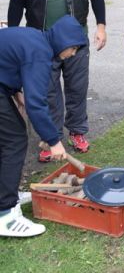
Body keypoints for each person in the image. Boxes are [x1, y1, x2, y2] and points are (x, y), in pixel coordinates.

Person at [7, 0, 107, 161]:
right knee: (46, 92)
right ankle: (51, 139)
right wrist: (12, 31)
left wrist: (102, 25)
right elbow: (17, 0)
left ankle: (77, 132)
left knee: (77, 89)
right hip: (42, 43)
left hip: (76, 41)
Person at [0, 15, 87, 237]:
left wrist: (17, 94)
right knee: (15, 140)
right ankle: (5, 215)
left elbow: (9, 62)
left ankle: (5, 193)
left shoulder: (36, 38)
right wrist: (54, 142)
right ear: (65, 42)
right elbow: (37, 106)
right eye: (74, 48)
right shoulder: (40, 54)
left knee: (9, 138)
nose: (73, 54)